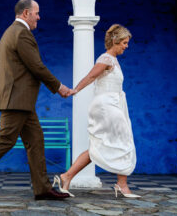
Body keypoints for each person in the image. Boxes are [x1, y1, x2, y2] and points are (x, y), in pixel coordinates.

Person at [0, 0, 71, 203]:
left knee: (36, 140)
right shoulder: (22, 34)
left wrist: (5, 92)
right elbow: (36, 66)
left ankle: (42, 188)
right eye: (36, 13)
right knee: (5, 140)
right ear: (25, 13)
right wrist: (59, 87)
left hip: (20, 100)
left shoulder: (8, 33)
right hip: (17, 100)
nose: (39, 17)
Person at [52, 24, 140, 198]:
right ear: (115, 41)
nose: (126, 46)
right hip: (106, 106)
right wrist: (75, 90)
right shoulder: (106, 59)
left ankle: (66, 177)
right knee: (124, 141)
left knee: (100, 146)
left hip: (112, 104)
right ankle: (122, 185)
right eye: (124, 42)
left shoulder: (113, 60)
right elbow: (91, 76)